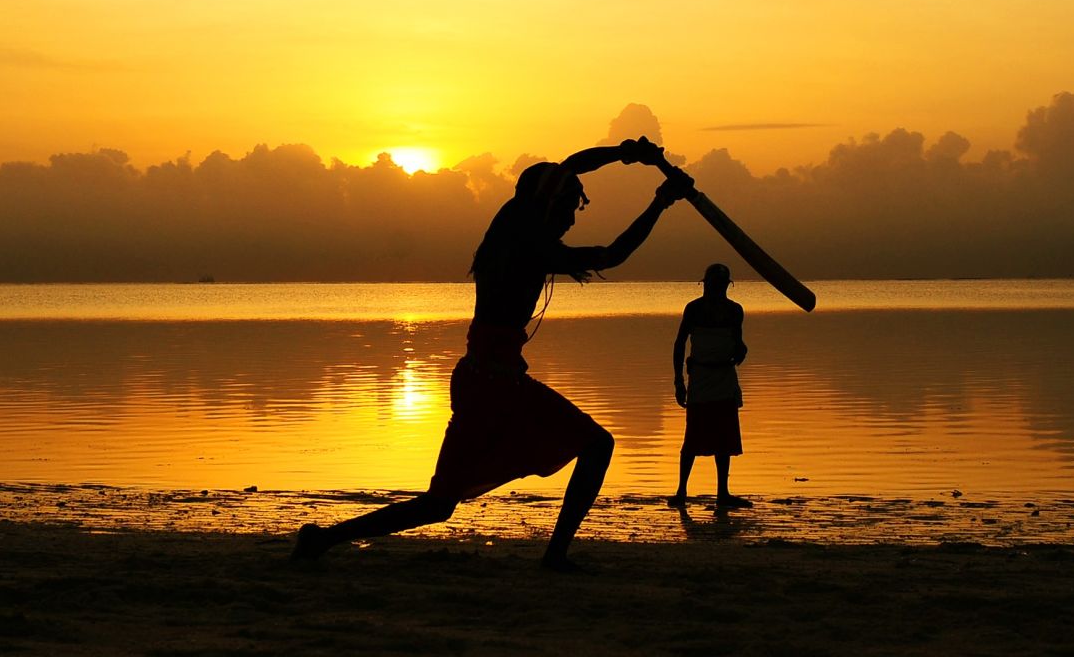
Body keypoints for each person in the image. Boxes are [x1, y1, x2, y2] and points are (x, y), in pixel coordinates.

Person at [293, 136, 695, 570]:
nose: (570, 219)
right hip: (495, 386)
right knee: (596, 446)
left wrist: (625, 153)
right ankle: (555, 557)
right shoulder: (528, 245)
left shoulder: (510, 225)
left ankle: (323, 539)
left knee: (439, 504)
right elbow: (611, 255)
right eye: (568, 208)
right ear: (548, 203)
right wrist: (660, 202)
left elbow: (569, 164)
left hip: (483, 379)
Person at [667, 263, 752, 509]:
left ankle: (722, 493)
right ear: (706, 285)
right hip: (701, 378)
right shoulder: (694, 309)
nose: (715, 290)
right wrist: (678, 381)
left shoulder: (734, 311)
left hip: (724, 377)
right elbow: (679, 343)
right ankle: (681, 492)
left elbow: (738, 342)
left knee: (725, 438)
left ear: (725, 286)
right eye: (713, 285)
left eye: (719, 286)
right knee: (692, 437)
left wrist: (742, 350)